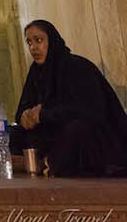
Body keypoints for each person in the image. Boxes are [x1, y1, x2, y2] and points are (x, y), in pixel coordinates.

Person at [10, 19, 127, 177]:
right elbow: (23, 109)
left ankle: (44, 164)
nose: (33, 48)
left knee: (75, 131)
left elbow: (90, 111)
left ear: (52, 40)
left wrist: (43, 115)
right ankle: (40, 163)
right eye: (29, 42)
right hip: (53, 130)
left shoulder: (77, 67)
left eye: (39, 40)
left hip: (93, 135)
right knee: (11, 134)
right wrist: (25, 116)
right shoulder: (36, 72)